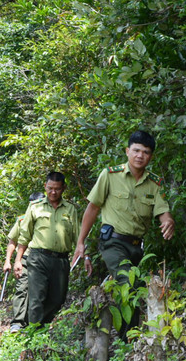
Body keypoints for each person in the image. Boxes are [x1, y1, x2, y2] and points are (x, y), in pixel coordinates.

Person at [72, 130, 175, 338]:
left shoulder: (155, 183)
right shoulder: (110, 175)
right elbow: (92, 208)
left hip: (137, 247)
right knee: (127, 282)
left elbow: (163, 212)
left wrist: (168, 221)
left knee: (130, 288)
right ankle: (127, 339)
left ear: (150, 156)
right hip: (112, 242)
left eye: (145, 152)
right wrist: (80, 242)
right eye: (136, 150)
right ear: (128, 151)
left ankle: (126, 335)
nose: (140, 156)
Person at [13, 172, 80, 327]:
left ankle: (43, 327)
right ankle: (33, 332)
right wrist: (18, 260)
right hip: (38, 257)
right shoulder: (35, 207)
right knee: (37, 297)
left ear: (63, 188)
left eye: (57, 189)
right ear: (45, 187)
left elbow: (78, 236)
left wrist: (85, 255)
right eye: (50, 188)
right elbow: (24, 236)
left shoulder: (70, 209)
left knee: (58, 299)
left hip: (61, 260)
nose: (53, 192)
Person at [3, 192, 44, 332]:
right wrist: (8, 261)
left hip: (44, 259)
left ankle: (37, 323)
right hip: (26, 258)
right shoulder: (22, 219)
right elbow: (12, 241)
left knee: (40, 291)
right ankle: (18, 323)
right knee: (22, 288)